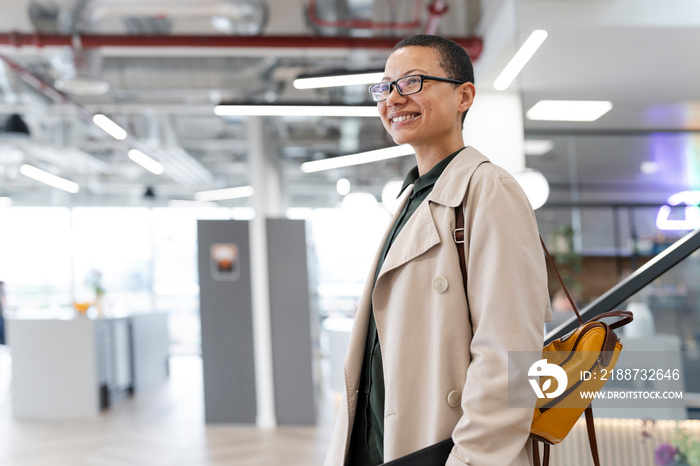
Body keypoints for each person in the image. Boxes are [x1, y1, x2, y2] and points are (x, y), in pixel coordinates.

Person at [324, 34, 552, 466]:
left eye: (412, 82)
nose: (393, 98)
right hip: (382, 444)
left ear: (464, 95)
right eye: (385, 86)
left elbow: (513, 355)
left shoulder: (489, 189)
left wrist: (470, 459)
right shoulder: (412, 198)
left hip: (443, 449)